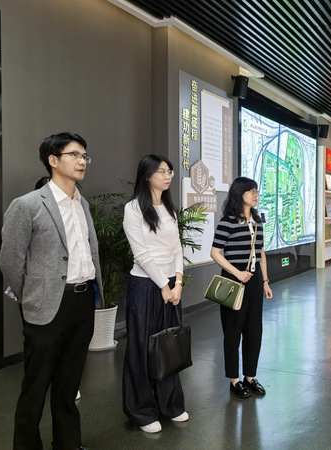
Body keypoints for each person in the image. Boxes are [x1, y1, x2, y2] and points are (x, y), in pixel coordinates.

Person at [0, 132, 104, 449]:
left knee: (69, 383)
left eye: (84, 155)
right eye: (74, 155)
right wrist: (29, 297)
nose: (82, 161)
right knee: (35, 386)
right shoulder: (27, 205)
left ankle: (68, 443)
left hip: (82, 302)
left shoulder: (82, 204)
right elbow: (10, 261)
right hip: (45, 306)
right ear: (53, 160)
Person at [122, 154, 188, 433]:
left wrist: (178, 282)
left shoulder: (170, 209)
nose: (168, 175)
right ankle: (142, 411)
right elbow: (141, 253)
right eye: (162, 171)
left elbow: (177, 248)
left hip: (171, 285)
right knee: (142, 347)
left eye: (169, 171)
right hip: (145, 285)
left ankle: (170, 404)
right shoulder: (133, 208)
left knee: (168, 345)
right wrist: (163, 285)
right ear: (147, 175)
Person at [211, 177, 273, 399]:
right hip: (233, 280)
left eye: (256, 191)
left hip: (254, 281)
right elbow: (215, 252)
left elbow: (261, 252)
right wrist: (237, 273)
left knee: (254, 330)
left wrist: (265, 281)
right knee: (233, 331)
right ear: (240, 194)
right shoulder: (228, 221)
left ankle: (250, 377)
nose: (256, 195)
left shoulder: (257, 221)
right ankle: (234, 380)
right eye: (251, 191)